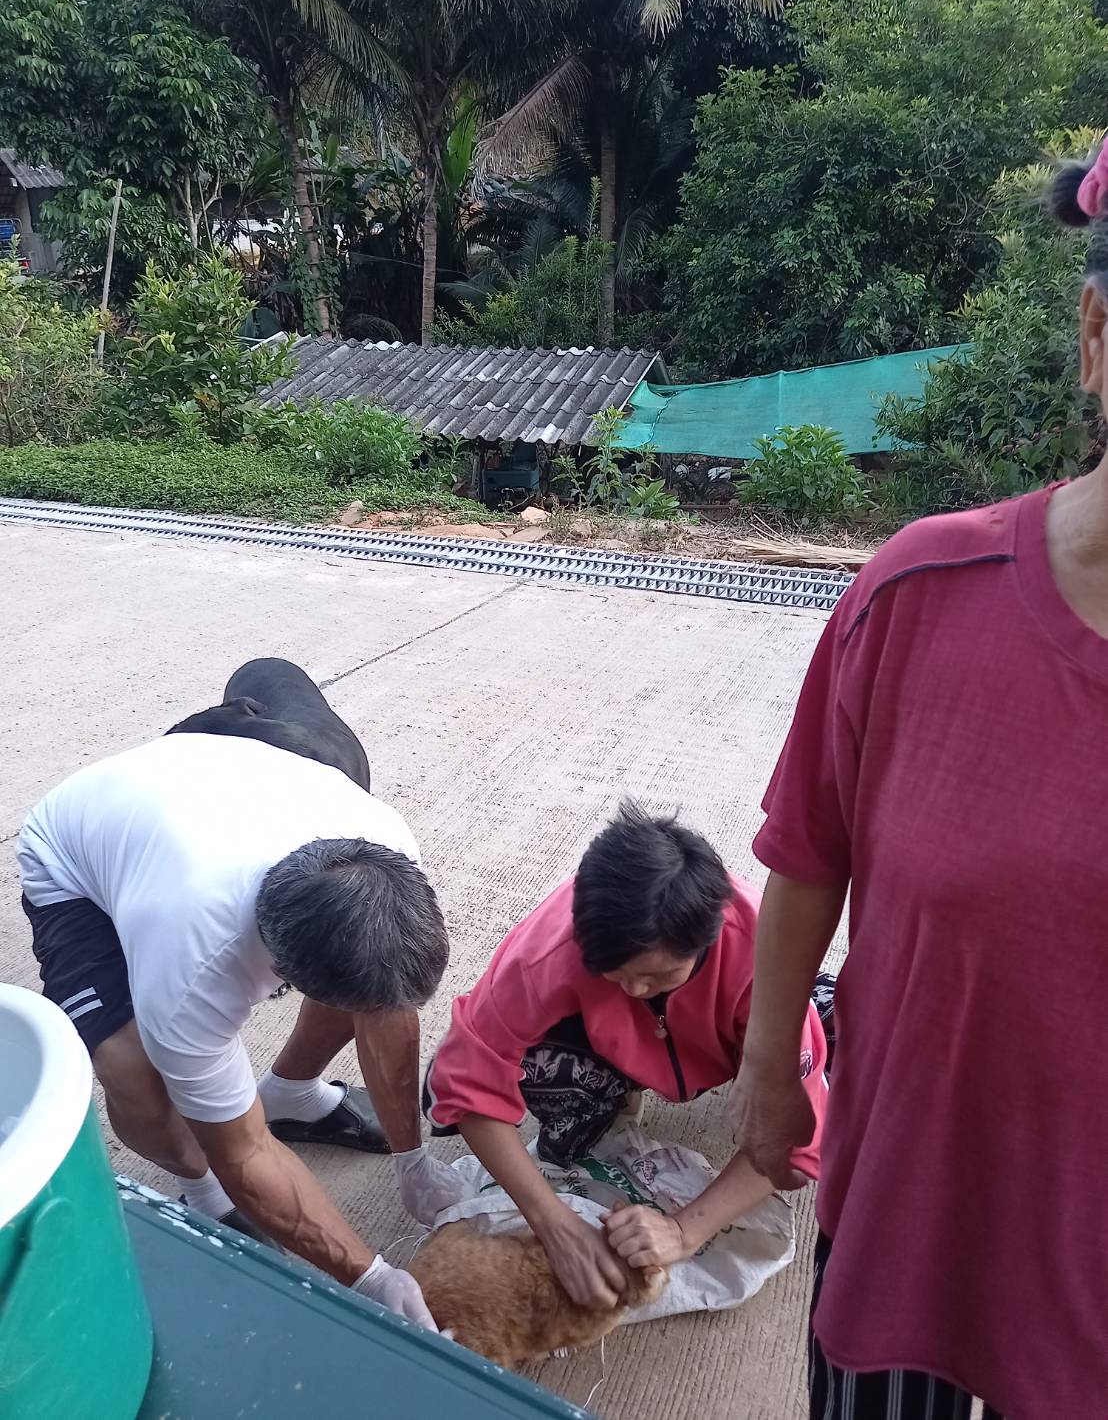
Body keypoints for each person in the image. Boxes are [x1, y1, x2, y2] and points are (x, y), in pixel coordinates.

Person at [729, 154, 1108, 1419]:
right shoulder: (917, 592)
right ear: (1096, 334)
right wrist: (769, 1067)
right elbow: (808, 854)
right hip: (909, 1228)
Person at [18, 658, 453, 1329]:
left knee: (372, 976)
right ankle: (201, 1192)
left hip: (209, 791)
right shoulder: (194, 963)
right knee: (133, 1071)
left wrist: (412, 1158)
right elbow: (244, 1150)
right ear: (279, 966)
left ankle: (293, 1095)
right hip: (77, 852)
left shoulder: (385, 845)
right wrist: (370, 1275)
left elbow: (387, 1007)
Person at [424, 803, 827, 1310]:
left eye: (660, 976)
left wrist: (682, 1231)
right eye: (614, 972)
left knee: (836, 1059)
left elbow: (795, 1138)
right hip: (616, 1044)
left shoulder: (762, 957)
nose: (636, 989)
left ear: (707, 939)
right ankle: (619, 1085)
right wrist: (554, 1225)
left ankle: (824, 1001)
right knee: (532, 1073)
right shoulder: (551, 948)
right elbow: (464, 1076)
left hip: (734, 1041)